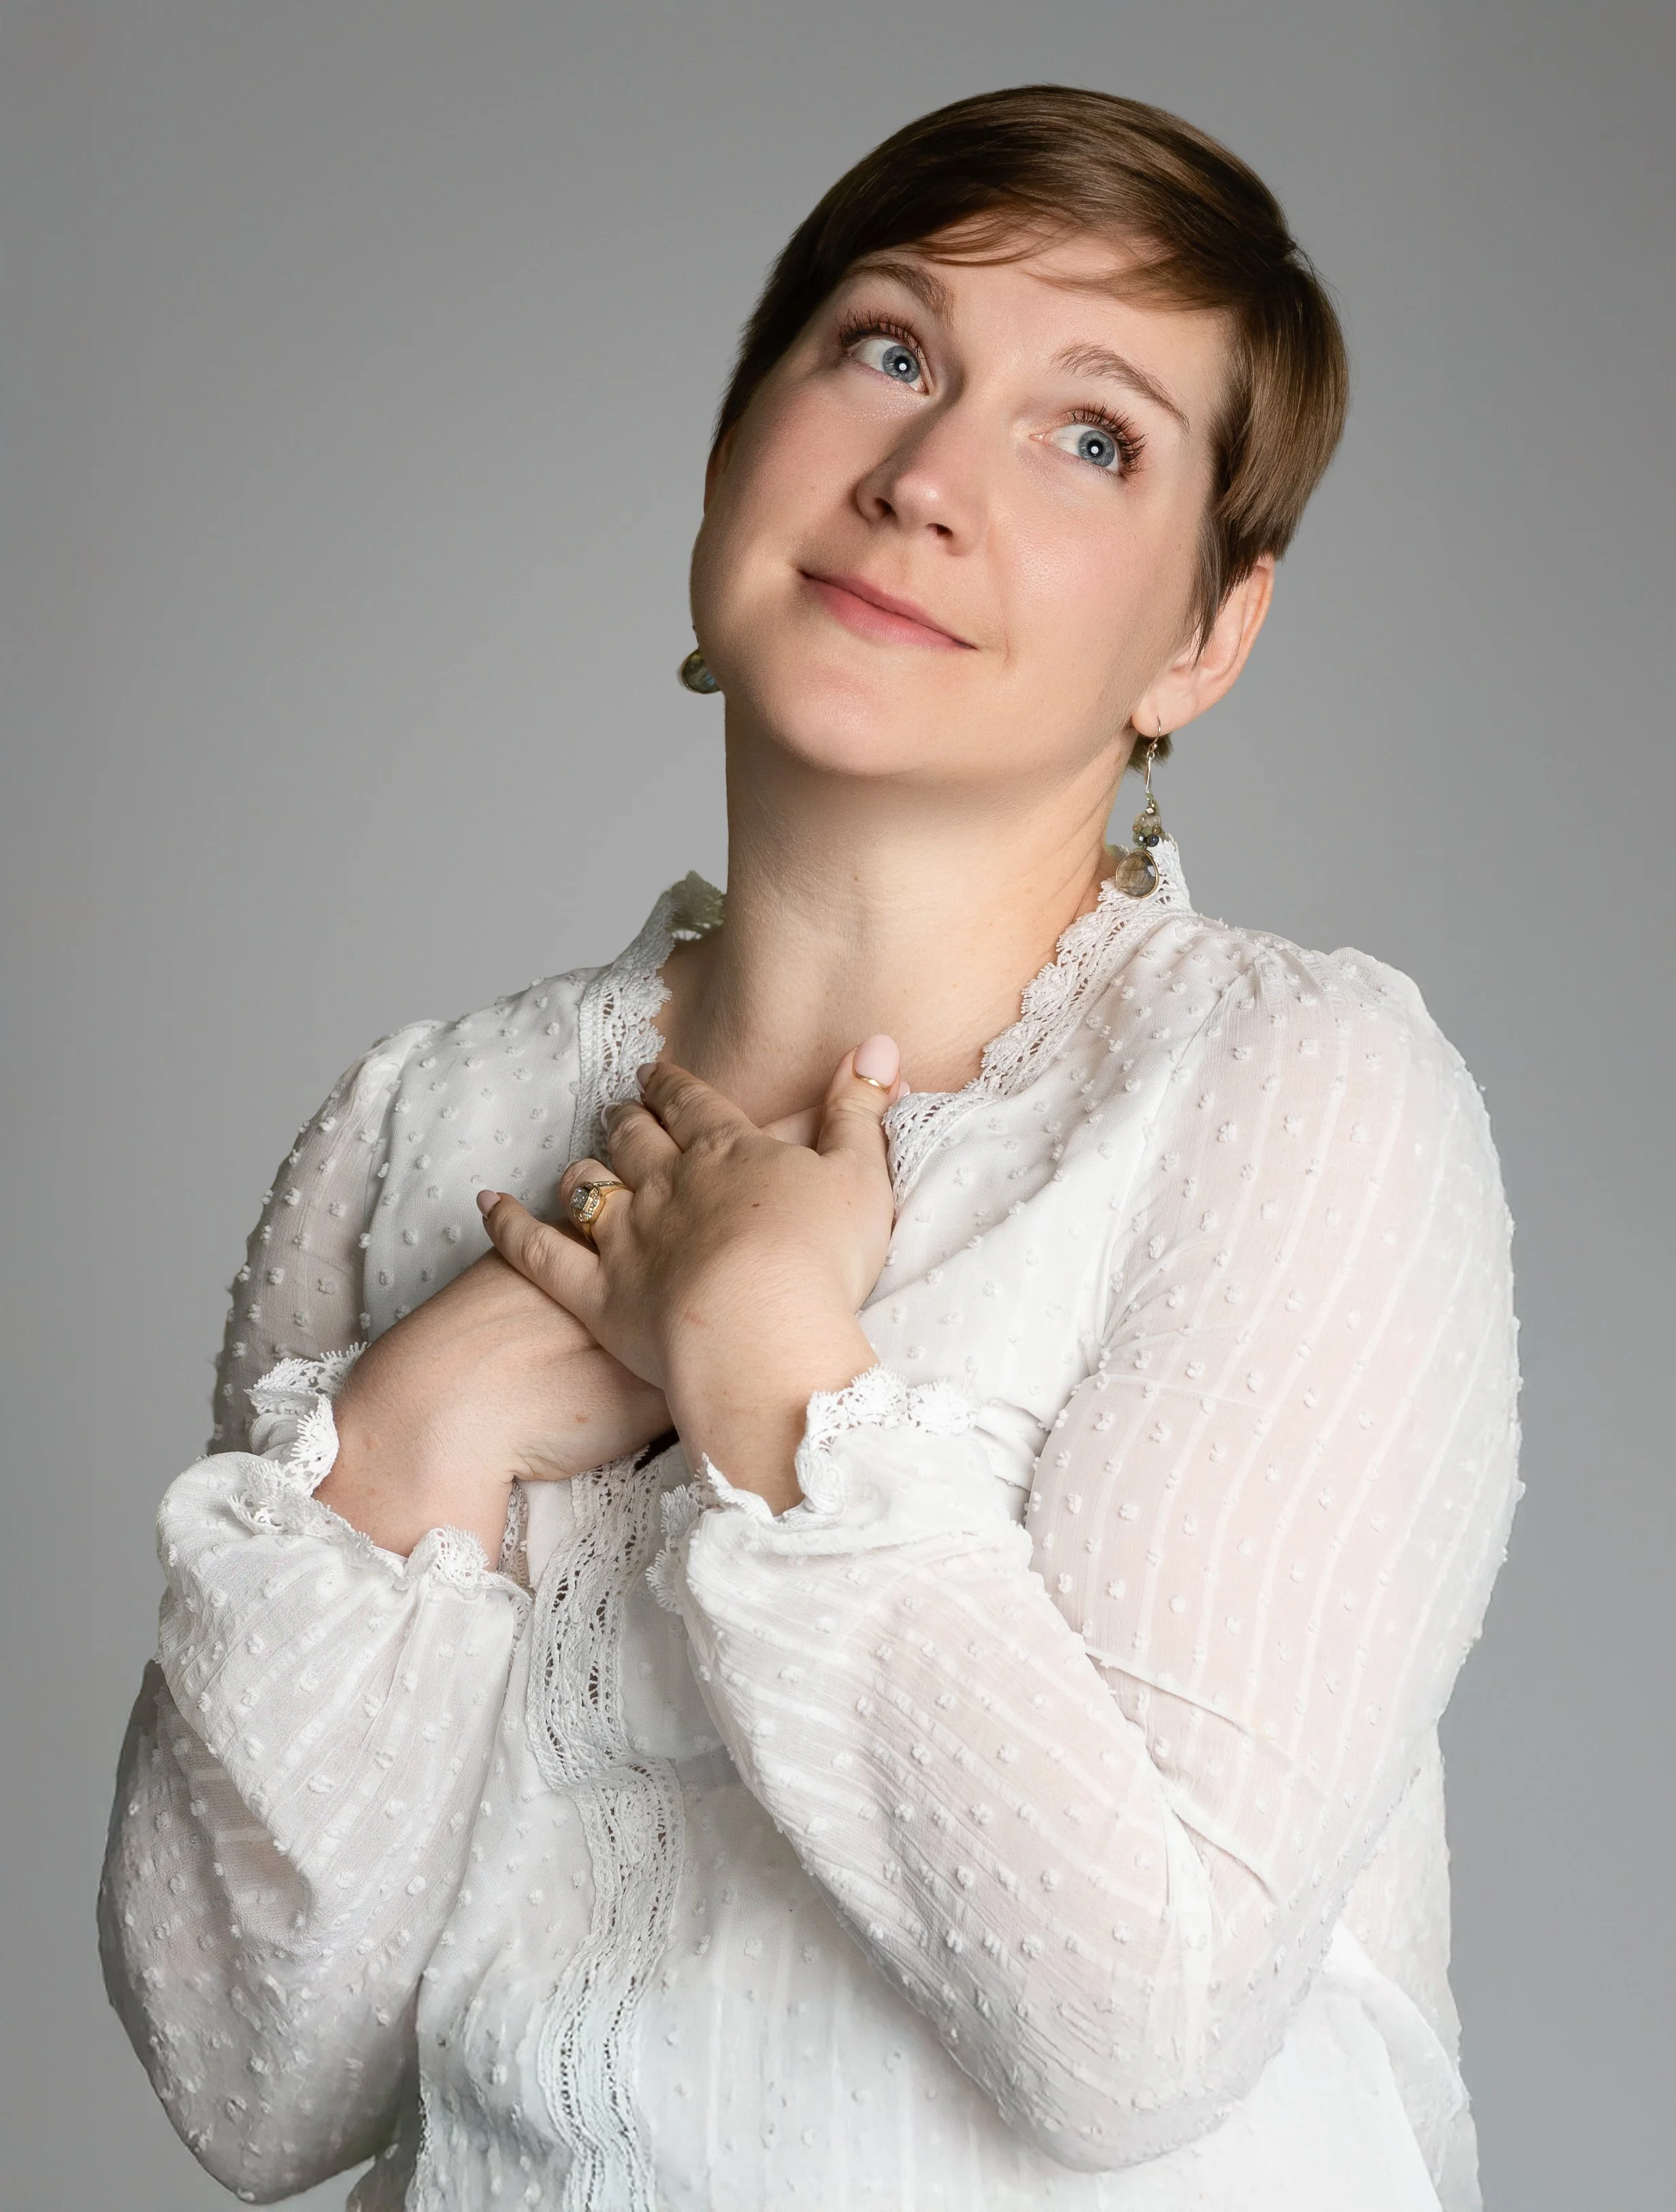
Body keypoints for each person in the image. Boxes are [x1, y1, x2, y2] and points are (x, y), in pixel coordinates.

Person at [99, 85, 1518, 2212]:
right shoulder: (422, 1132)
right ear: (727, 453)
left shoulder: (1287, 1090)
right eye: (886, 350)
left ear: (1203, 638)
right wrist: (417, 1422)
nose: (930, 477)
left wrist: (765, 1364)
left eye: (1093, 434)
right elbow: (255, 2082)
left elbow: (1133, 2032)